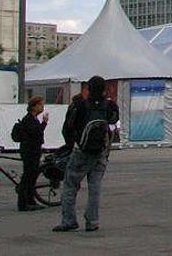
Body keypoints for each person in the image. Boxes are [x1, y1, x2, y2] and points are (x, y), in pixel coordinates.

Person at [54, 75, 120, 233]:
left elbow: (68, 128)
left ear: (88, 89)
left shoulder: (79, 105)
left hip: (81, 151)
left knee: (70, 185)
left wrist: (72, 144)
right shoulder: (110, 106)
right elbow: (113, 121)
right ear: (104, 89)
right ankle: (92, 221)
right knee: (95, 188)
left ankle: (69, 220)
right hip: (100, 152)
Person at [12, 97, 46, 210]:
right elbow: (35, 133)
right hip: (30, 151)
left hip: (33, 150)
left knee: (31, 176)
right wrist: (44, 123)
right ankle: (23, 203)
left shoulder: (33, 118)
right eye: (40, 105)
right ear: (34, 107)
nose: (42, 107)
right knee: (28, 176)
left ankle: (31, 200)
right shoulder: (29, 119)